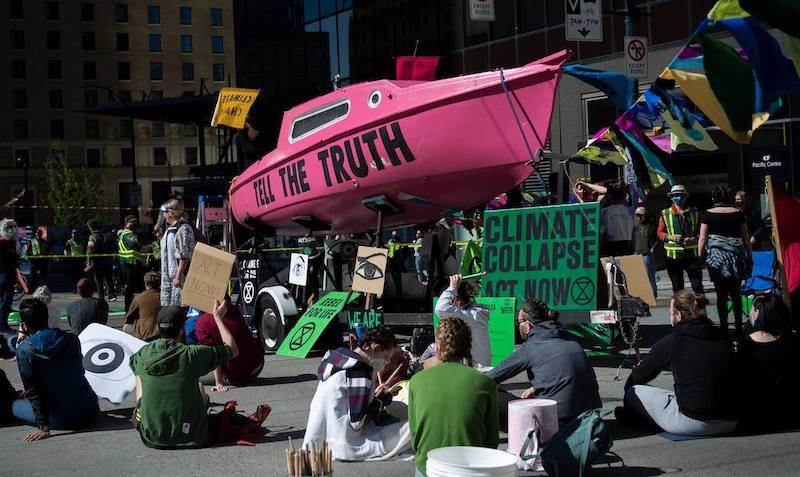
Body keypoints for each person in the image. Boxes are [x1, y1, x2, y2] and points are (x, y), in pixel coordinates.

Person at [618, 290, 739, 436]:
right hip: (731, 420)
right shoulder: (722, 337)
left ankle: (635, 419)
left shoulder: (675, 340)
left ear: (678, 315)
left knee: (634, 391)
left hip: (693, 421)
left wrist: (629, 403)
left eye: (671, 312)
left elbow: (639, 374)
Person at [130, 302, 238, 449]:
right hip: (193, 434)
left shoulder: (141, 355)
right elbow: (232, 349)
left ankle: (154, 419)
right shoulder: (191, 354)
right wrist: (218, 318)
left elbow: (138, 384)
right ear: (182, 329)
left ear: (157, 328)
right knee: (200, 387)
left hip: (152, 437)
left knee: (140, 374)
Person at [487, 299, 601, 426]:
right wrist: (536, 387)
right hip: (590, 418)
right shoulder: (571, 341)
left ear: (527, 326)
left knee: (490, 395)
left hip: (556, 421)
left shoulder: (530, 348)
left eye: (518, 322)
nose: (517, 326)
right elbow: (564, 373)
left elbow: (488, 379)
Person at [303, 326, 410, 461]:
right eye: (386, 357)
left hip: (319, 439)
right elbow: (357, 422)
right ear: (376, 348)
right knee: (413, 427)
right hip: (347, 444)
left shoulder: (337, 356)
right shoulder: (360, 370)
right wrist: (380, 400)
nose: (386, 362)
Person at [409, 317, 499, 477]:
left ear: (437, 346)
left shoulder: (416, 382)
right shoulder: (486, 383)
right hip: (470, 468)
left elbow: (415, 438)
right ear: (468, 346)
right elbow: (491, 442)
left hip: (429, 467)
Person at [12, 298, 99, 441]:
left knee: (16, 406)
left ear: (24, 325)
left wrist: (44, 427)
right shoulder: (72, 339)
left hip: (63, 417)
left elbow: (33, 390)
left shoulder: (25, 350)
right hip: (90, 409)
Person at [739, 294, 800, 430]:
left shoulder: (746, 344)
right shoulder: (793, 340)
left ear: (758, 313)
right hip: (792, 410)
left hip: (758, 414)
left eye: (753, 309)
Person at [698, 186, 753, 337]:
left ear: (714, 198)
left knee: (721, 295)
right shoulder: (739, 214)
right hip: (736, 258)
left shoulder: (707, 214)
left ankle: (723, 327)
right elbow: (746, 238)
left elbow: (702, 238)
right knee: (736, 294)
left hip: (717, 258)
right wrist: (750, 256)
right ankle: (738, 328)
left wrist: (700, 256)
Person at [195, 296, 264, 391]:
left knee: (190, 371)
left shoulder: (202, 322)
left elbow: (213, 355)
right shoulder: (235, 310)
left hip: (235, 375)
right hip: (256, 366)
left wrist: (218, 382)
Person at [434, 274, 491, 367]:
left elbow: (441, 308)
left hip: (476, 371)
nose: (451, 306)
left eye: (451, 302)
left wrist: (452, 288)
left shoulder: (472, 314)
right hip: (475, 368)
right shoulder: (472, 313)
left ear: (458, 300)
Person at [658, 184, 703, 293]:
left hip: (691, 255)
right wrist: (671, 237)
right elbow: (660, 232)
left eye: (680, 195)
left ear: (685, 196)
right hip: (672, 257)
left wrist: (693, 239)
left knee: (697, 286)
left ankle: (700, 309)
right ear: (671, 197)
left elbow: (701, 232)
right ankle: (680, 309)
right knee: (677, 288)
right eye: (675, 195)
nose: (678, 197)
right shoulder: (665, 214)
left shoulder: (695, 213)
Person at [159, 199, 197, 306]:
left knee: (179, 308)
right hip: (170, 277)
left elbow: (184, 255)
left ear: (171, 213)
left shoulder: (183, 228)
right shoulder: (171, 229)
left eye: (165, 212)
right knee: (171, 310)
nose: (164, 215)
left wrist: (178, 276)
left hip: (179, 278)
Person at [0, 219, 28, 334]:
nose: (13, 229)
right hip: (3, 275)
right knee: (4, 302)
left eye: (14, 227)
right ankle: (2, 325)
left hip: (9, 275)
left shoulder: (11, 242)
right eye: (10, 227)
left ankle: (3, 323)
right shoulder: (2, 243)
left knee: (7, 302)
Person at [123, 272, 161, 341]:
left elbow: (130, 316)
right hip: (160, 331)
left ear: (145, 283)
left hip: (145, 334)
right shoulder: (163, 296)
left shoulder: (139, 297)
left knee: (126, 327)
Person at [118, 215, 144, 313]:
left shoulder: (129, 233)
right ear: (126, 223)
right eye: (132, 222)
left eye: (135, 222)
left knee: (133, 288)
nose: (134, 224)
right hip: (129, 264)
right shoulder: (127, 234)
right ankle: (129, 309)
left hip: (130, 263)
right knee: (130, 288)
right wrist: (147, 246)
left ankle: (131, 309)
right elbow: (137, 246)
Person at [600, 184, 635, 256]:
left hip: (610, 246)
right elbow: (635, 231)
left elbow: (601, 232)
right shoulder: (631, 210)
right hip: (628, 246)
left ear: (610, 196)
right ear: (624, 194)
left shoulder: (604, 212)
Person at [87, 219, 116, 302]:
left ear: (90, 227)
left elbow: (90, 248)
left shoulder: (93, 236)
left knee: (99, 281)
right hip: (108, 261)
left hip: (98, 262)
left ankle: (101, 298)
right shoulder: (106, 235)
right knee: (108, 278)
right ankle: (111, 295)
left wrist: (89, 260)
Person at [633, 206, 658, 297]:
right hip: (636, 253)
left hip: (647, 253)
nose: (638, 217)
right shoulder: (635, 225)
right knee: (638, 275)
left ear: (645, 215)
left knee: (650, 275)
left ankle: (652, 294)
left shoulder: (650, 225)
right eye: (637, 215)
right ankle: (641, 294)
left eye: (640, 215)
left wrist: (652, 248)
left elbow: (657, 237)